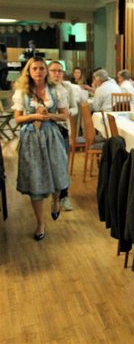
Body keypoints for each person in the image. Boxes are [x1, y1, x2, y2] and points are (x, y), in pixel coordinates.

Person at [12, 57, 70, 240]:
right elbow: (18, 118)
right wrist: (34, 116)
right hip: (31, 138)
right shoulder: (22, 92)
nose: (38, 71)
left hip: (52, 136)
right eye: (34, 68)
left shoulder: (56, 90)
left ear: (46, 71)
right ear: (29, 71)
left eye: (41, 68)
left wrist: (49, 115)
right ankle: (40, 223)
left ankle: (55, 200)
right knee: (35, 177)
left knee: (58, 170)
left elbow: (64, 116)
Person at [48, 61, 78, 211]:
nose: (56, 74)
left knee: (62, 163)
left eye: (59, 71)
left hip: (62, 129)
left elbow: (74, 107)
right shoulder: (43, 87)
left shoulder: (68, 87)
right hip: (45, 130)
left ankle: (64, 196)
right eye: (53, 71)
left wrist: (67, 113)